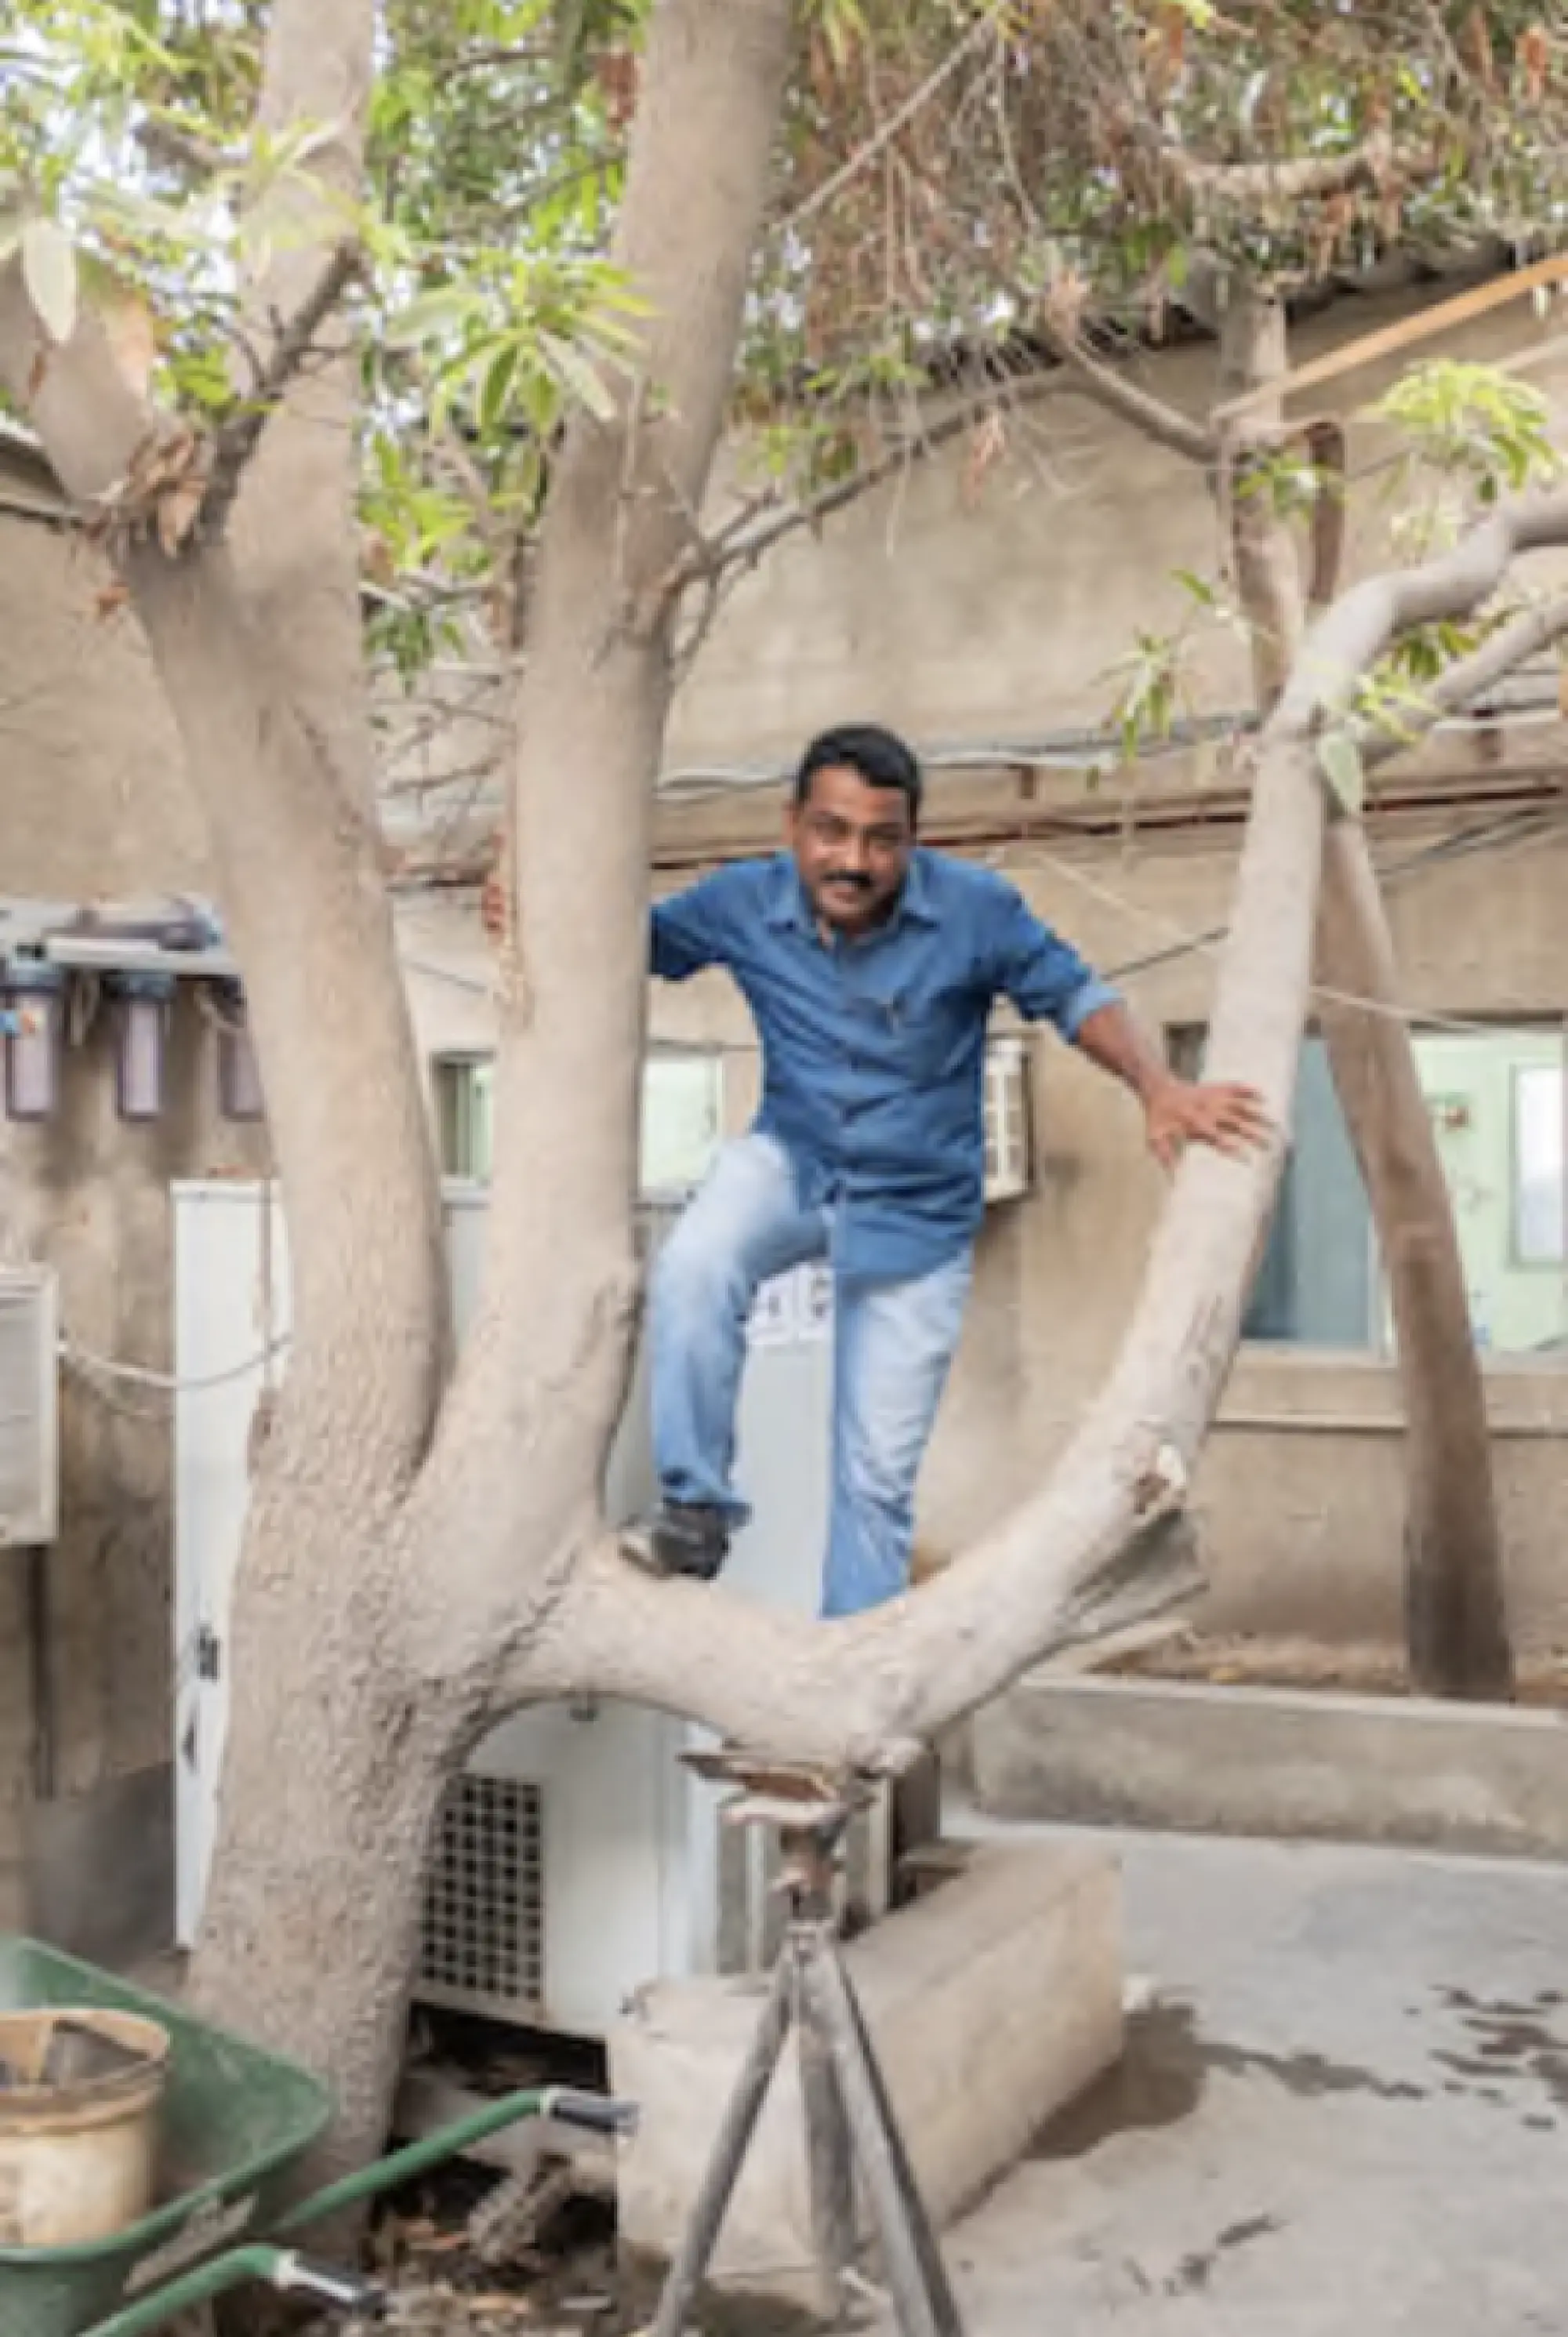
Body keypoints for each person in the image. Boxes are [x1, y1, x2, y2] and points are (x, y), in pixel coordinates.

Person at [491, 723, 1269, 1617]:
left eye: (880, 839)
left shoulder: (974, 910)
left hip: (917, 1214)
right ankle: (696, 1508)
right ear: (792, 826)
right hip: (792, 1161)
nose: (852, 859)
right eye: (831, 830)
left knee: (873, 1480)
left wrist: (1157, 1085)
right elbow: (635, 946)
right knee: (695, 1266)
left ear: (911, 839)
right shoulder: (744, 901)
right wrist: (531, 918)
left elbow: (1074, 992)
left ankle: (844, 1676)